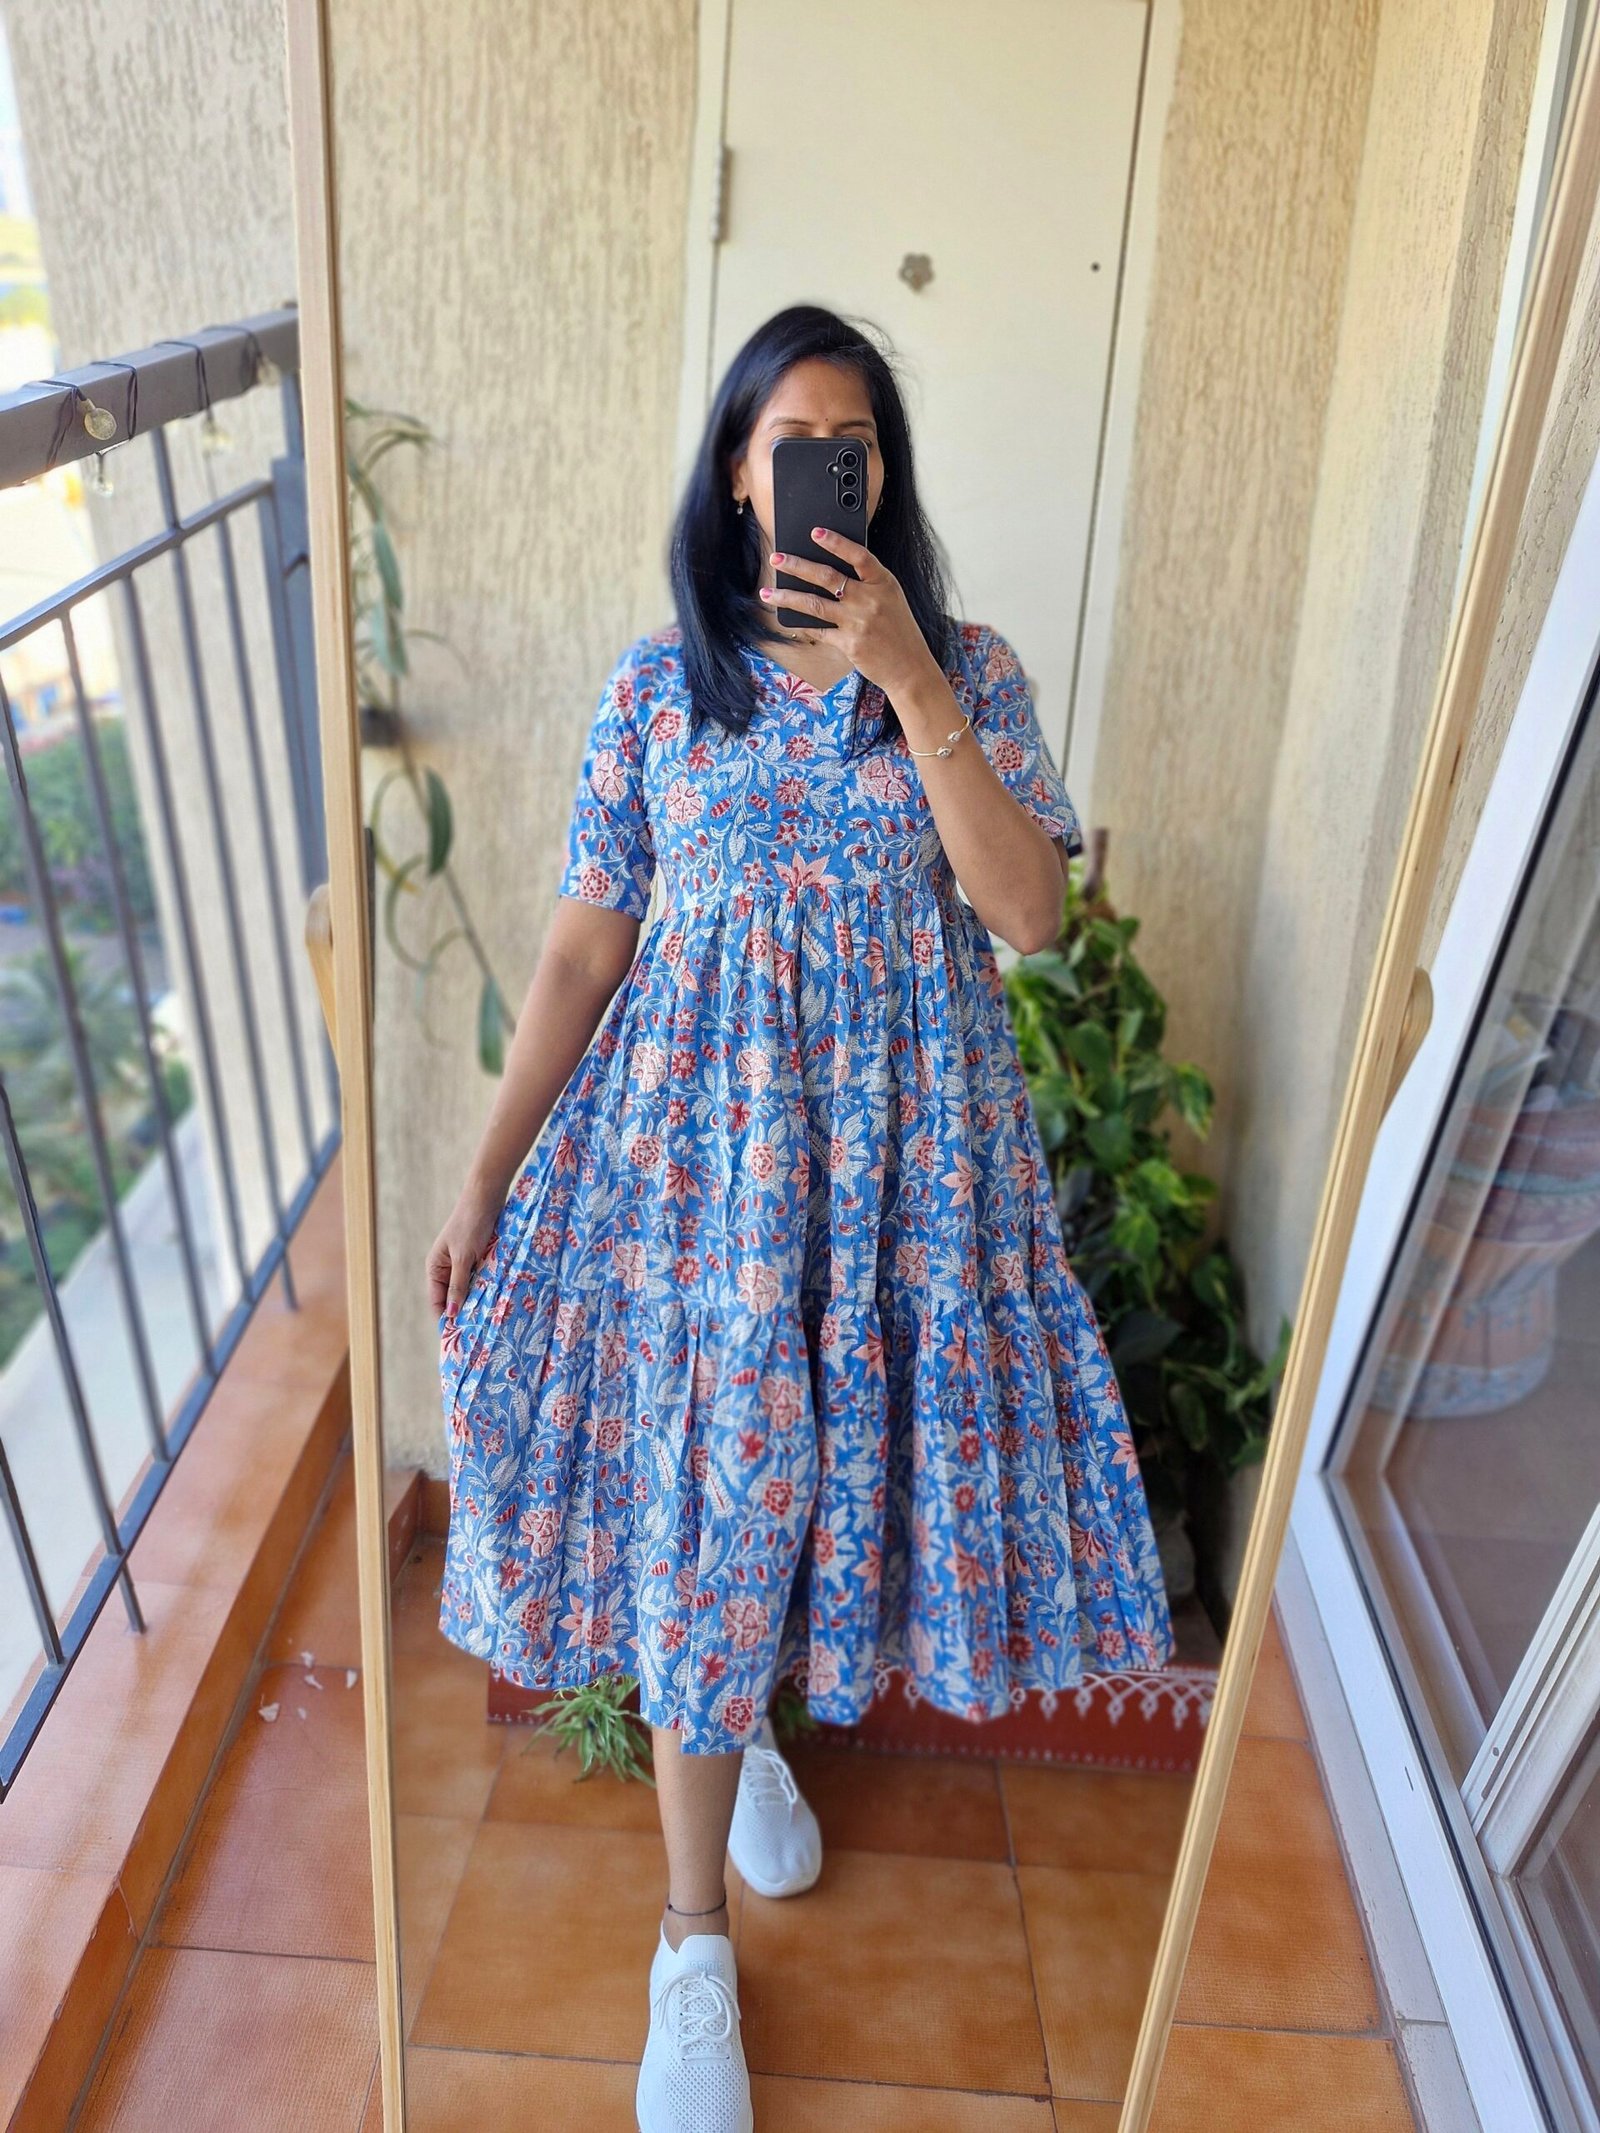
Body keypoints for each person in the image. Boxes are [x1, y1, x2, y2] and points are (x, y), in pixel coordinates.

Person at [427, 303, 1174, 2133]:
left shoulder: (966, 671)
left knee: (841, 1487)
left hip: (908, 1189)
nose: (830, 469)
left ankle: (748, 1721)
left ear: (880, 476)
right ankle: (691, 1945)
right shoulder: (656, 691)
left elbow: (1031, 918)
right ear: (740, 472)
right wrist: (487, 1165)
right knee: (717, 1500)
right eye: (794, 441)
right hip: (705, 1188)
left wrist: (911, 681)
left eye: (859, 443)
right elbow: (582, 949)